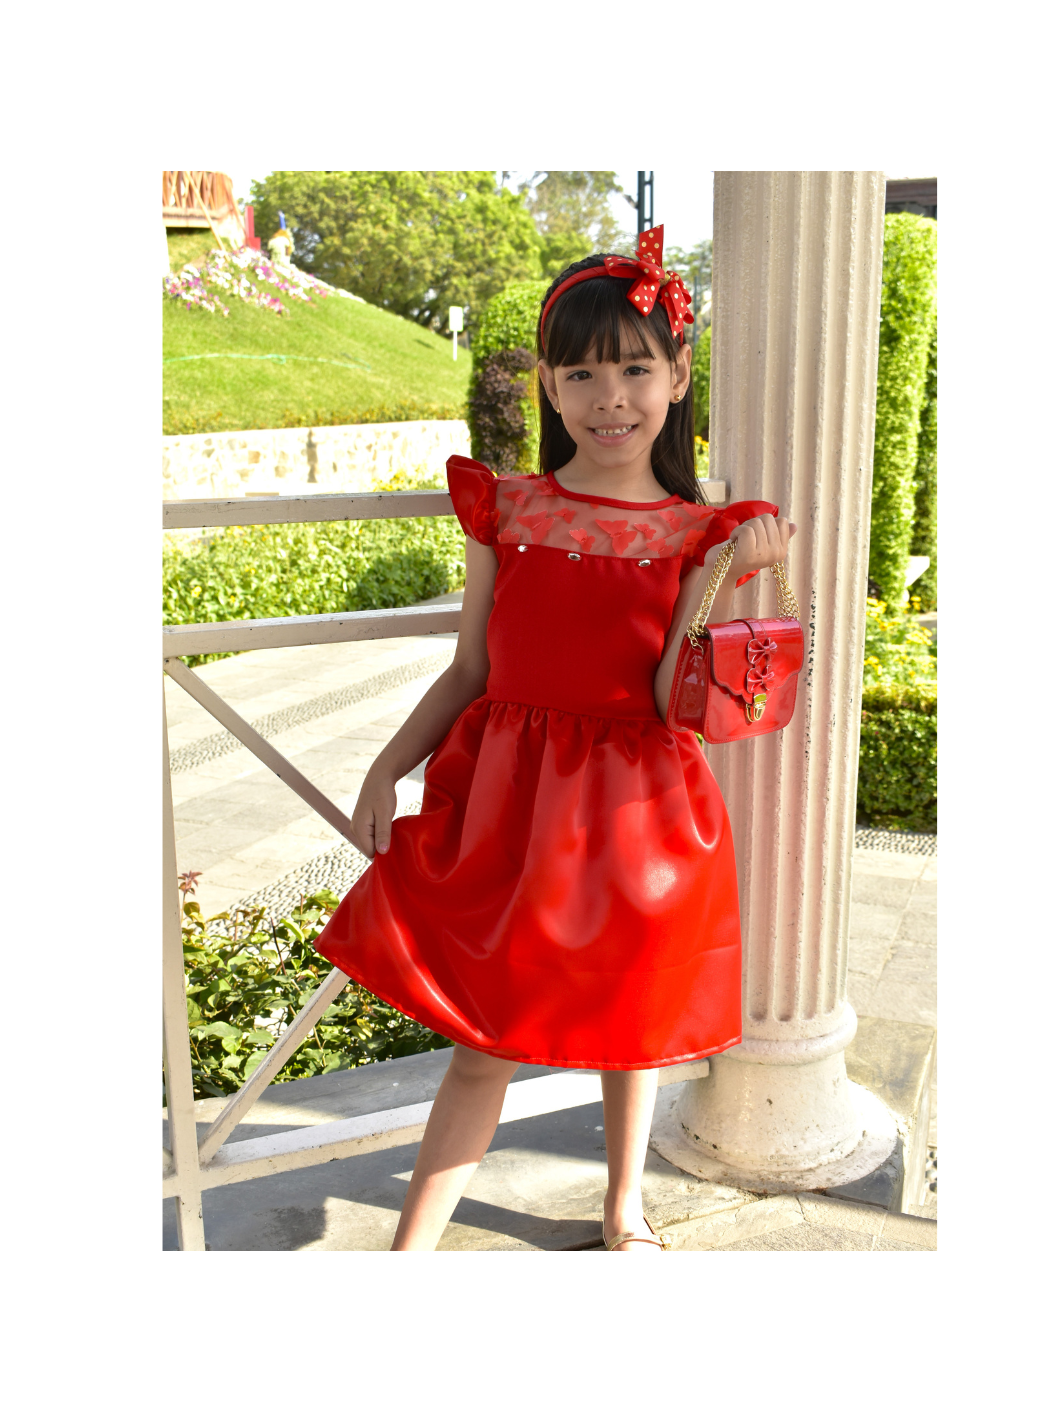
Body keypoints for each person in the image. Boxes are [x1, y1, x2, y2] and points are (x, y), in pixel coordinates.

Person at [315, 226, 795, 1251]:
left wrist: (723, 578)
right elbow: (471, 671)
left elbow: (667, 698)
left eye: (634, 369)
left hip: (636, 817)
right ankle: (408, 1254)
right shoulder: (510, 510)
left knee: (632, 1022)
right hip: (510, 810)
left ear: (676, 378)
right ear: (547, 383)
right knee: (482, 1041)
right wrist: (386, 767)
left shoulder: (692, 535)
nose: (608, 396)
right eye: (581, 373)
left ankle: (623, 1207)